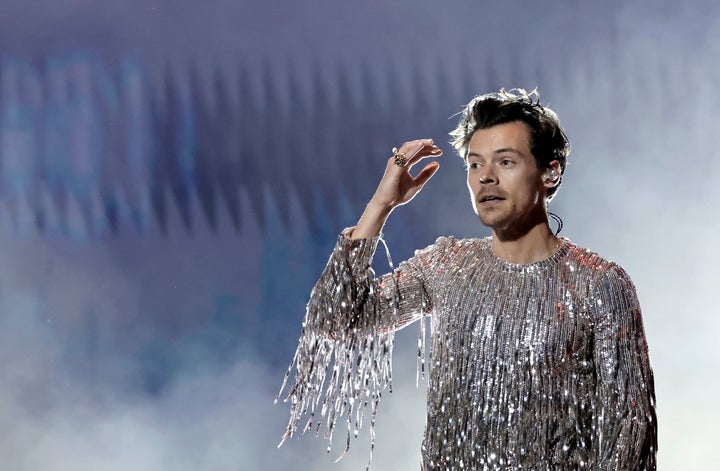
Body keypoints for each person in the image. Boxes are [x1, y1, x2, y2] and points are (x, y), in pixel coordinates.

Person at [277, 89, 657, 470]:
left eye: (505, 161)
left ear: (549, 172)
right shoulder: (447, 266)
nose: (486, 178)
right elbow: (337, 320)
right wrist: (380, 205)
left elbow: (630, 431)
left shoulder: (600, 285)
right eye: (475, 165)